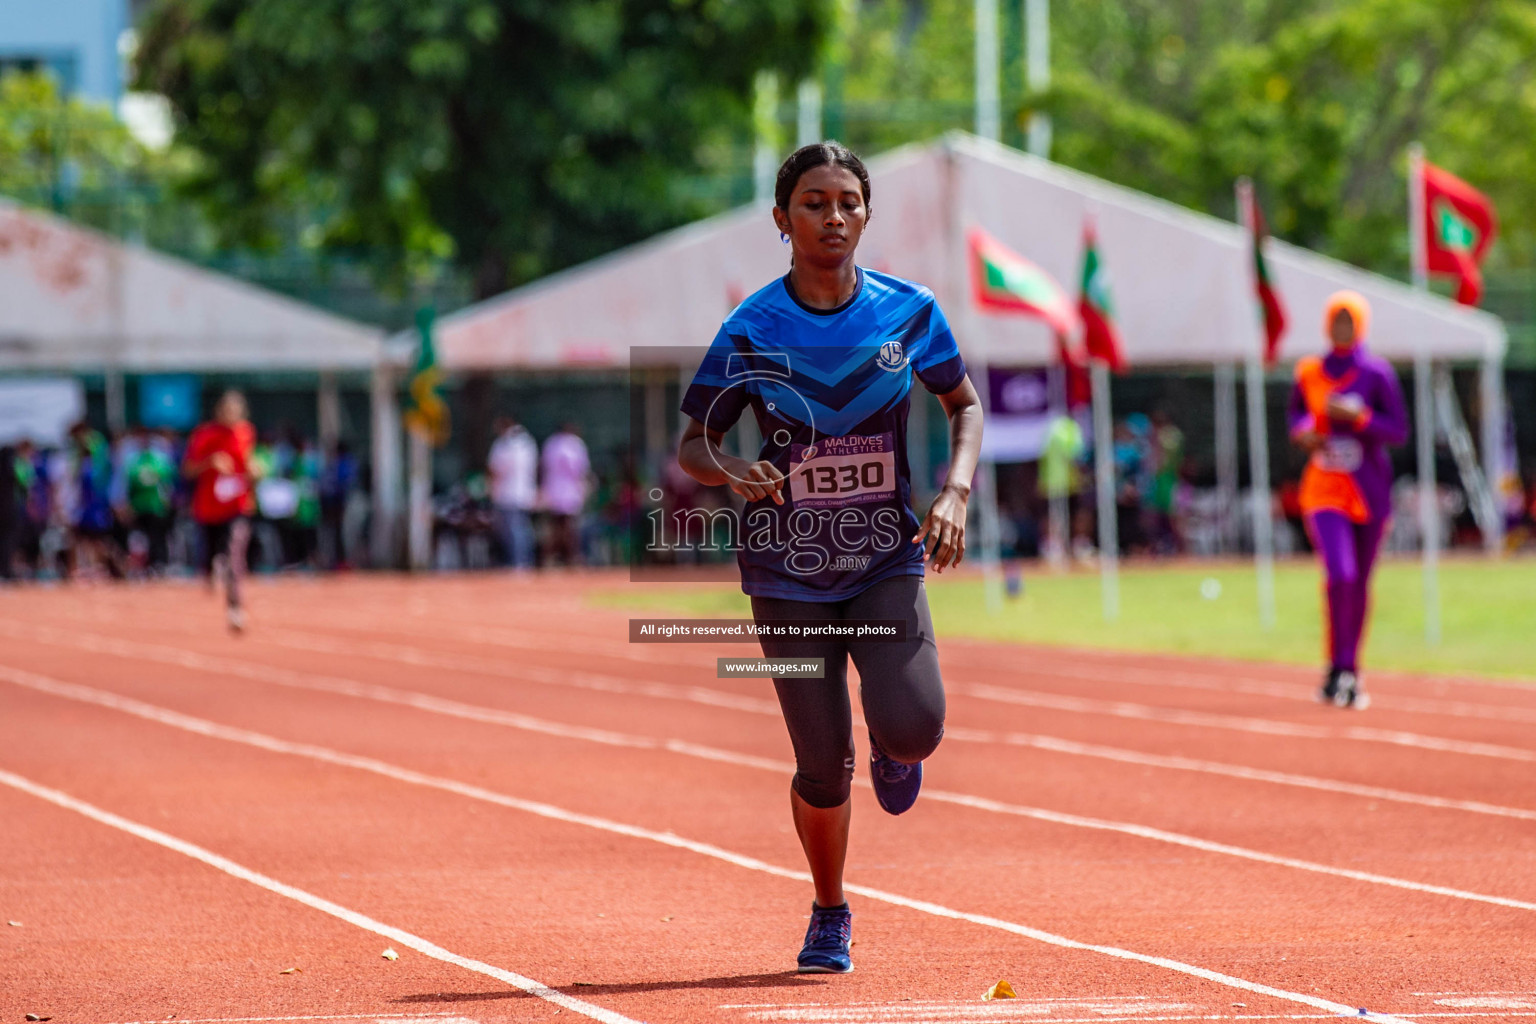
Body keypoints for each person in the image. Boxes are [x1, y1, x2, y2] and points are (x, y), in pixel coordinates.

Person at [676, 142, 983, 975]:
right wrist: (735, 468)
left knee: (916, 728)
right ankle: (829, 910)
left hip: (884, 558)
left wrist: (954, 493)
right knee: (821, 763)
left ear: (867, 214)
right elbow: (694, 440)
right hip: (786, 573)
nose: (833, 216)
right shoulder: (752, 328)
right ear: (783, 219)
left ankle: (895, 744)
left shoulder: (909, 313)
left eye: (848, 201)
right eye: (814, 202)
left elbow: (965, 405)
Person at [1287, 290, 1408, 708]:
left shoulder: (1377, 374)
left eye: (1349, 320)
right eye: (1336, 319)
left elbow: (1398, 430)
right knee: (1340, 573)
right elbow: (1297, 415)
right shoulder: (1309, 372)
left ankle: (1348, 669)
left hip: (1369, 489)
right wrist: (1305, 432)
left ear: (1361, 324)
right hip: (1324, 487)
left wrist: (1360, 418)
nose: (1342, 327)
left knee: (1359, 582)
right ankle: (1335, 663)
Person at [184, 390, 257, 630]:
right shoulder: (205, 434)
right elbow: (188, 470)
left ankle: (235, 607)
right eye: (226, 410)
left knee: (235, 554)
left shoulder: (246, 433)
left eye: (235, 410)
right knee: (210, 557)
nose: (231, 415)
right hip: (208, 508)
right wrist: (210, 462)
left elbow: (249, 465)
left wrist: (255, 471)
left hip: (237, 506)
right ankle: (211, 569)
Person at [488, 415, 539, 568]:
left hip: (508, 493)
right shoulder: (527, 443)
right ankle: (524, 560)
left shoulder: (503, 444)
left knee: (512, 531)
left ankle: (517, 561)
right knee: (522, 529)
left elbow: (495, 469)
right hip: (524, 491)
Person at [540, 422, 590, 566]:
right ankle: (571, 557)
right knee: (569, 526)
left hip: (554, 489)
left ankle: (550, 557)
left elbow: (544, 467)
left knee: (555, 526)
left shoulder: (551, 443)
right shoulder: (574, 444)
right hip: (569, 490)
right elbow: (580, 469)